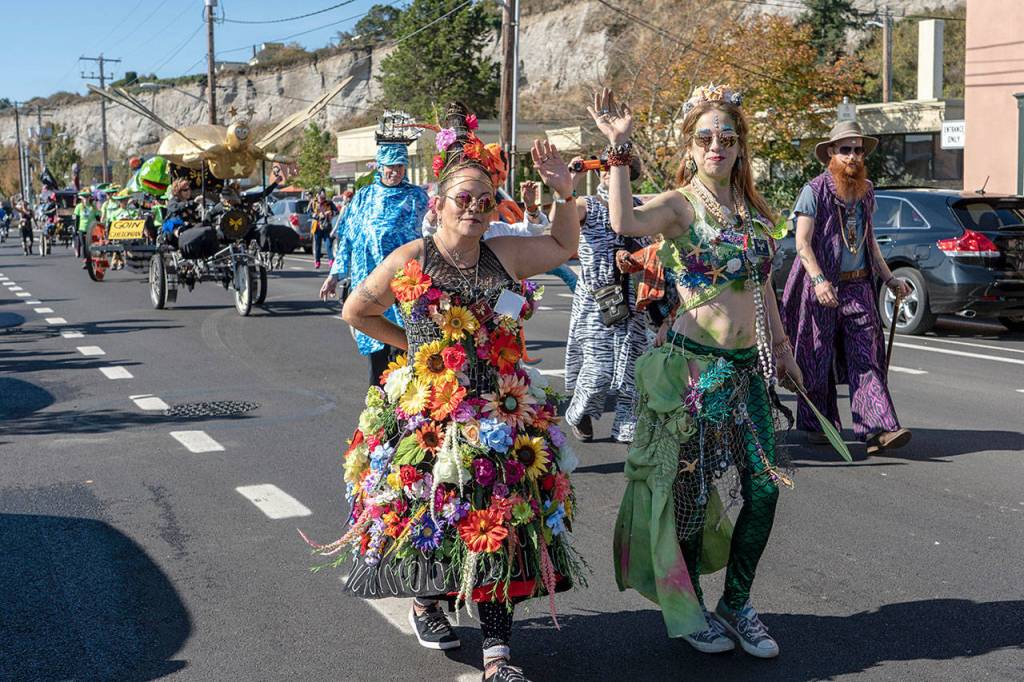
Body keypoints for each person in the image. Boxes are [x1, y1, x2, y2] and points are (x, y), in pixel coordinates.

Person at [307, 102, 583, 682]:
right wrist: (410, 349)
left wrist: (563, 191)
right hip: (431, 411)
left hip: (498, 408)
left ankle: (498, 653)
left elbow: (562, 246)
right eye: (465, 198)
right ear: (438, 204)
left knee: (496, 515)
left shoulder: (503, 254)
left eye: (486, 200)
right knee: (433, 513)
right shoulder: (412, 258)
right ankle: (427, 600)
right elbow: (357, 309)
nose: (477, 208)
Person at [592, 86, 804, 659]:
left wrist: (781, 346)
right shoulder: (682, 205)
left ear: (740, 148)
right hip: (693, 376)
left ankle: (737, 602)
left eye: (727, 138)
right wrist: (618, 149)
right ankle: (692, 610)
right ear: (692, 145)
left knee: (763, 490)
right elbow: (624, 219)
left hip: (746, 372)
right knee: (688, 498)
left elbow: (762, 284)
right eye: (706, 137)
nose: (717, 145)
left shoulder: (753, 210)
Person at [781, 120, 912, 455]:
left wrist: (890, 279)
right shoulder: (813, 190)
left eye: (857, 150)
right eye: (845, 149)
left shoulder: (866, 191)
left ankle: (877, 429)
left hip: (858, 288)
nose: (853, 156)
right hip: (820, 288)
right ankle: (817, 422)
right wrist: (819, 280)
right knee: (817, 355)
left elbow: (869, 242)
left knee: (866, 356)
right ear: (831, 154)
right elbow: (802, 243)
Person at [319, 135, 430, 386]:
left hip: (407, 286)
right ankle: (378, 416)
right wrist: (335, 275)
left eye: (400, 166)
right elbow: (347, 238)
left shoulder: (417, 197)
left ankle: (408, 414)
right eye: (390, 167)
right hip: (370, 282)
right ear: (380, 167)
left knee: (407, 352)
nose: (395, 172)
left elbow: (434, 234)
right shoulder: (364, 197)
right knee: (378, 361)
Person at [563, 155, 649, 444]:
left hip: (634, 300)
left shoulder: (641, 210)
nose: (613, 177)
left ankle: (628, 428)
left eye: (621, 172)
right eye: (608, 172)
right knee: (598, 369)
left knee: (633, 370)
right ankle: (581, 412)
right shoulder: (587, 205)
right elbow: (562, 222)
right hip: (597, 299)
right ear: (600, 176)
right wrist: (568, 182)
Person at [311, 189, 337, 269]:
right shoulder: (313, 203)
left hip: (326, 226)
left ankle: (331, 260)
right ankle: (317, 261)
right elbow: (309, 213)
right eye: (320, 197)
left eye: (323, 197)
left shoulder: (329, 203)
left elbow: (337, 211)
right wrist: (318, 216)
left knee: (328, 244)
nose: (322, 199)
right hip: (317, 227)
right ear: (317, 196)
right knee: (317, 245)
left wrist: (330, 213)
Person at [73, 190, 100, 266]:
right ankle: (85, 260)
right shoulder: (78, 207)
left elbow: (97, 218)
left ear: (89, 198)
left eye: (87, 197)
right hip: (82, 229)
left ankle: (93, 258)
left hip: (92, 229)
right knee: (84, 245)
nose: (86, 198)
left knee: (92, 245)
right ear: (82, 198)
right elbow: (77, 219)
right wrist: (76, 229)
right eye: (84, 197)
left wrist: (99, 228)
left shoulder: (93, 207)